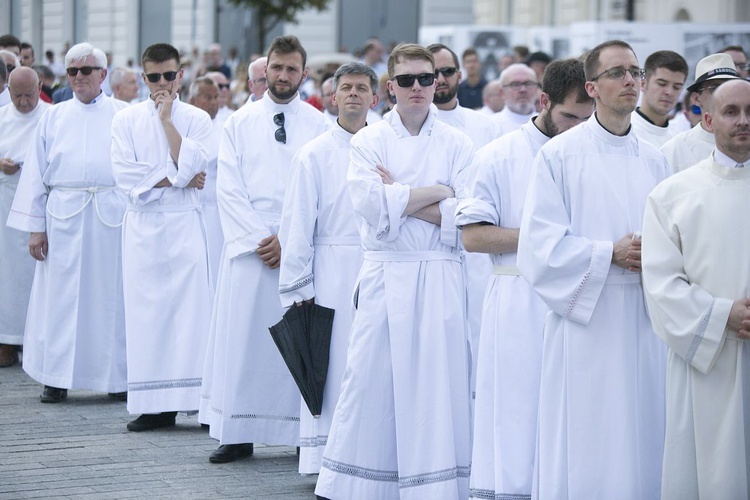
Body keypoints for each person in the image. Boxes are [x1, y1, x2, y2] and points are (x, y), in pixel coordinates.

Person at [315, 43, 473, 500]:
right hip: (387, 273)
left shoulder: (458, 143)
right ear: (390, 87)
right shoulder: (368, 140)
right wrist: (438, 194)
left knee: (436, 382)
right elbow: (368, 204)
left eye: (427, 78)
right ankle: (357, 484)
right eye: (407, 80)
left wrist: (401, 198)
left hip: (439, 275)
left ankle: (437, 484)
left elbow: (465, 215)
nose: (420, 87)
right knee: (368, 379)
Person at [516, 40, 671, 499]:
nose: (630, 81)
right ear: (592, 87)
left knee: (642, 430)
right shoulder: (559, 156)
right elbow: (538, 249)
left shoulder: (656, 160)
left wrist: (654, 256)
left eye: (635, 72)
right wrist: (609, 253)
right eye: (618, 73)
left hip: (643, 320)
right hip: (585, 318)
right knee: (589, 432)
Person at [457, 58, 594, 500]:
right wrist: (544, 240)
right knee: (518, 407)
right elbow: (474, 236)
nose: (577, 129)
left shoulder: (592, 152)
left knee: (572, 409)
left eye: (585, 119)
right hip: (518, 297)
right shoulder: (498, 155)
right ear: (544, 101)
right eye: (569, 117)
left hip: (581, 297)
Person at [199, 35, 330, 464]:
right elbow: (229, 189)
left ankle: (300, 434)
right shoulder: (239, 122)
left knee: (298, 338)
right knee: (244, 339)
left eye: (292, 69)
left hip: (298, 246)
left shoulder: (319, 126)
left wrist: (291, 239)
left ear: (304, 74)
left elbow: (323, 190)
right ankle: (237, 432)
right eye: (277, 67)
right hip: (251, 247)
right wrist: (259, 238)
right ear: (265, 69)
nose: (283, 76)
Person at [642, 78, 750, 500]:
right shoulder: (672, 195)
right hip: (708, 360)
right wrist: (725, 315)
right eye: (731, 112)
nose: (744, 121)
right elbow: (661, 285)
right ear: (707, 120)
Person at [7, 44, 129, 402]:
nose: (78, 77)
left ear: (103, 74)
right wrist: (35, 227)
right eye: (72, 71)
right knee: (60, 299)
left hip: (111, 216)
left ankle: (116, 377)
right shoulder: (53, 116)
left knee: (111, 298)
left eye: (86, 70)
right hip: (64, 217)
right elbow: (36, 174)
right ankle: (55, 376)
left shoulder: (124, 114)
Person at [278, 61, 377, 475]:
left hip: (377, 267)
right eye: (346, 88)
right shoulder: (313, 154)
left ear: (376, 97)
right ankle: (327, 461)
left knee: (372, 365)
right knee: (333, 367)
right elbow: (298, 224)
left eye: (362, 88)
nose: (354, 94)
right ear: (332, 97)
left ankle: (372, 455)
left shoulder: (387, 145)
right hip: (331, 272)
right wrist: (300, 290)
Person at [111, 42, 213, 431]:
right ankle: (155, 406)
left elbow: (198, 163)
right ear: (143, 77)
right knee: (147, 314)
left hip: (185, 221)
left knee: (192, 314)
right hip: (143, 225)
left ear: (180, 75)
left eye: (169, 76)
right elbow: (124, 176)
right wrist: (178, 173)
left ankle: (199, 403)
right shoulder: (124, 121)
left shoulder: (196, 118)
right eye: (154, 77)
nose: (162, 84)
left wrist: (168, 121)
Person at [0, 67, 51, 367]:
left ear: (40, 87)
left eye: (28, 95)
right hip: (5, 206)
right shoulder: (1, 116)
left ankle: (38, 342)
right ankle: (6, 338)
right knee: (7, 276)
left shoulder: (52, 116)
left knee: (39, 277)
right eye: (16, 95)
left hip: (42, 205)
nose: (22, 102)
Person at [661, 53, 740, 173]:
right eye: (715, 88)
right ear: (696, 99)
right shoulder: (674, 151)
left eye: (731, 87)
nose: (725, 94)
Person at [188, 77, 223, 282]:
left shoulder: (226, 128)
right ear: (192, 99)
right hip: (188, 208)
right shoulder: (182, 125)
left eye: (216, 97)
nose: (213, 102)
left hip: (216, 210)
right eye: (207, 97)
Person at [630, 50, 688, 148]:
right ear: (643, 84)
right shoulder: (623, 132)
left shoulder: (681, 139)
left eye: (677, 87)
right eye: (662, 84)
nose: (669, 92)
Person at [492, 63, 540, 136]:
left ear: (537, 90)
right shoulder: (492, 125)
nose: (523, 89)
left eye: (528, 84)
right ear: (502, 93)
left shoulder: (548, 124)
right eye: (515, 84)